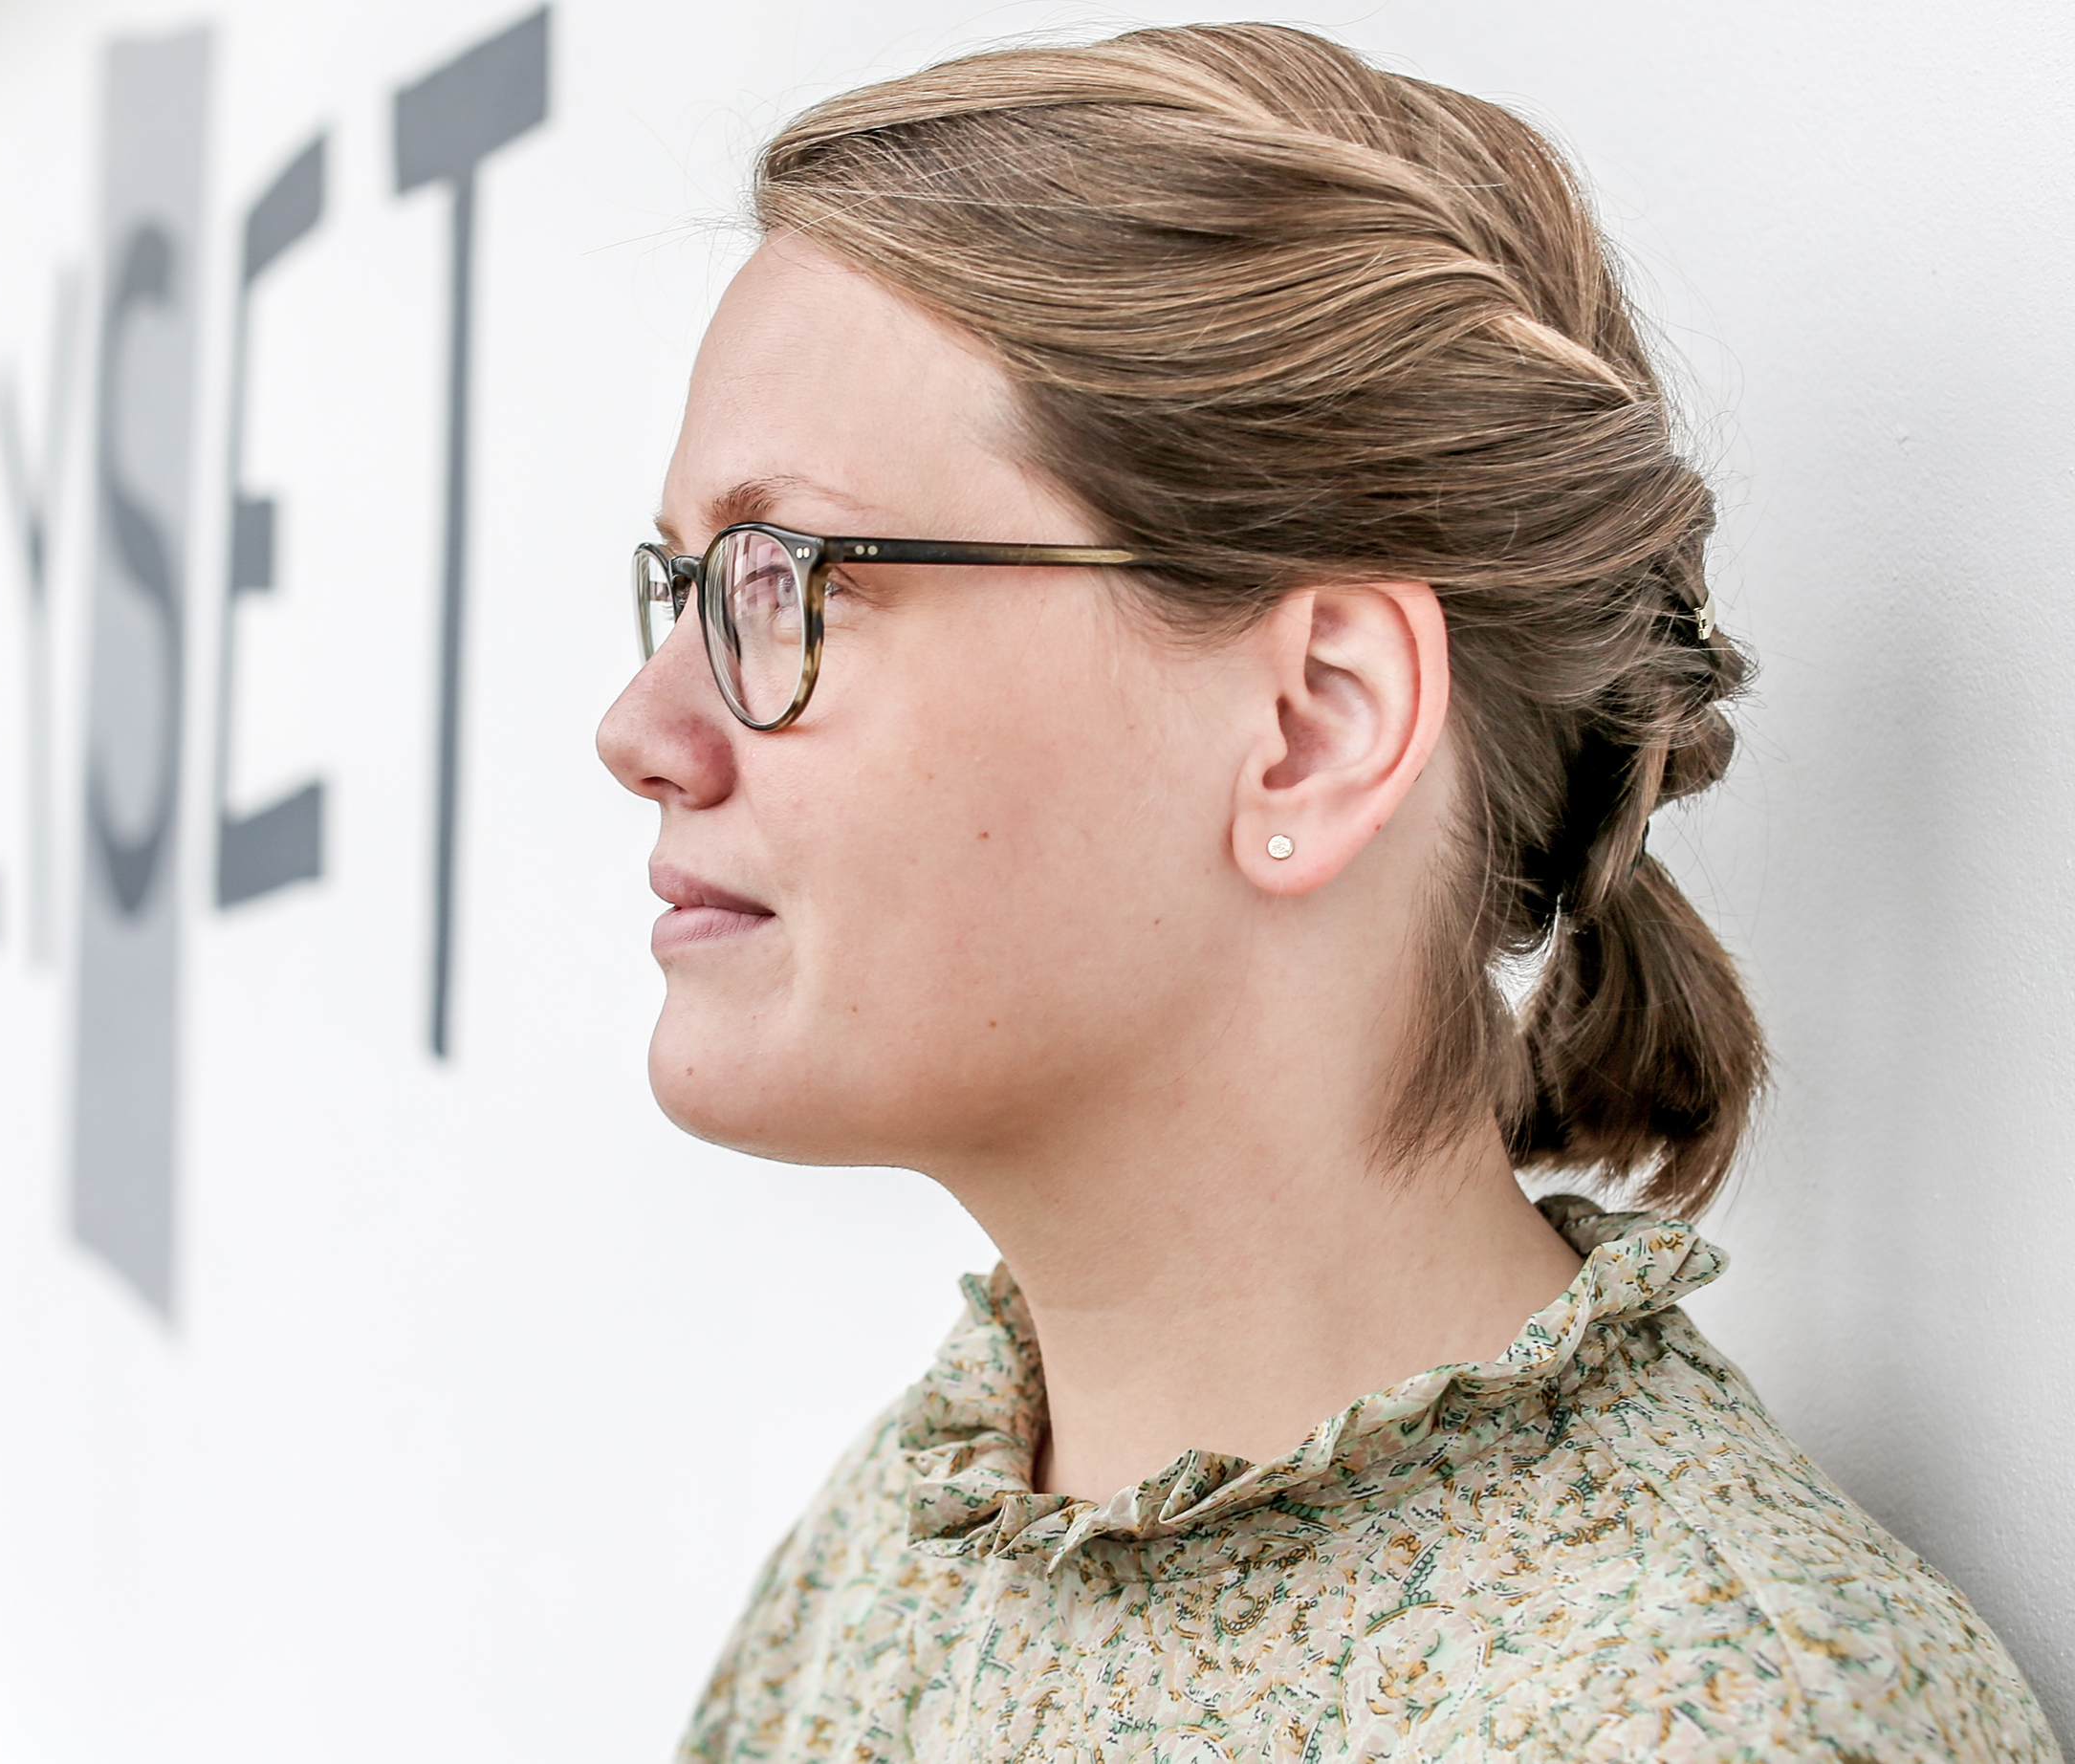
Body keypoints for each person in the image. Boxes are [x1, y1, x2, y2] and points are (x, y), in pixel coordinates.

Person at [598, 23, 2061, 1763]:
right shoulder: (900, 1558)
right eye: (685, 587)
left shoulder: (1715, 1716)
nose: (640, 730)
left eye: (789, 579)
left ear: (1315, 724)